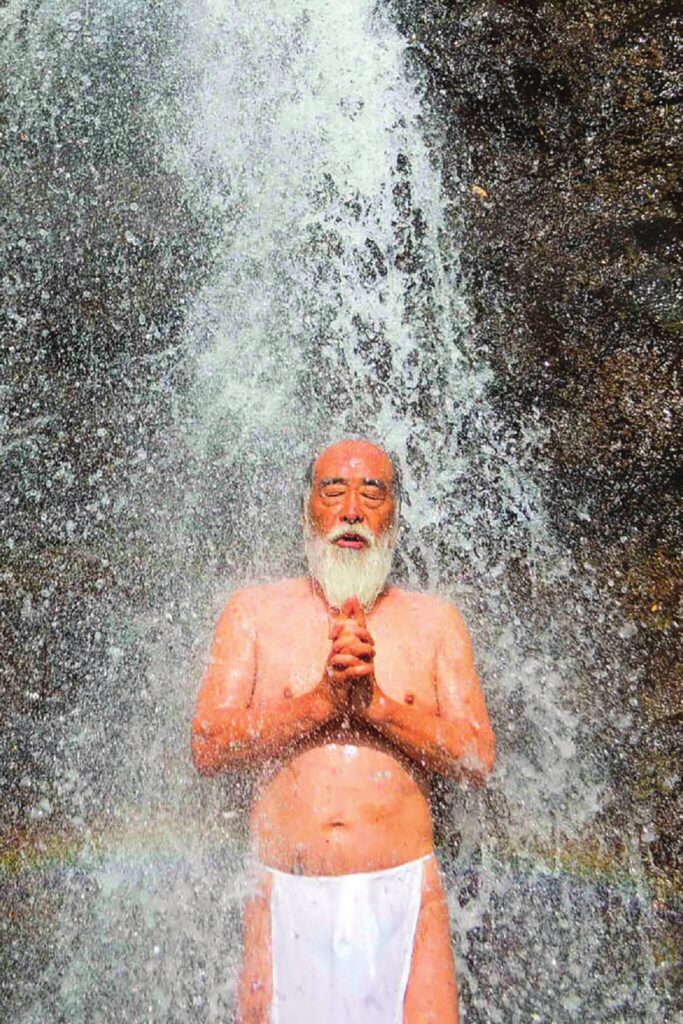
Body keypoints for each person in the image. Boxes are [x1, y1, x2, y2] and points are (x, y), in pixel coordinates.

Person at [191, 439, 495, 1024]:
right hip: (286, 895)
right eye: (334, 490)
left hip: (405, 893)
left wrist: (376, 706)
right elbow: (208, 745)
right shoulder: (253, 613)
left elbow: (477, 757)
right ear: (308, 507)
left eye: (371, 492)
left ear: (395, 514)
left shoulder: (434, 622)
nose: (352, 509)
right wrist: (323, 702)